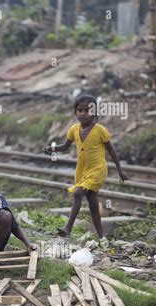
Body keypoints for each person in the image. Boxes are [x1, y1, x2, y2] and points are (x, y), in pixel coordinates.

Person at [43, 94, 128, 239]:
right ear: (75, 111)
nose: (82, 114)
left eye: (87, 111)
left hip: (97, 170)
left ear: (94, 113)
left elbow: (111, 150)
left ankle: (68, 227)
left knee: (77, 193)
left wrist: (119, 170)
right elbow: (65, 146)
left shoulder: (100, 130)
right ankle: (102, 235)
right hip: (82, 171)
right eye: (79, 110)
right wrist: (52, 149)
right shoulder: (74, 129)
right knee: (93, 204)